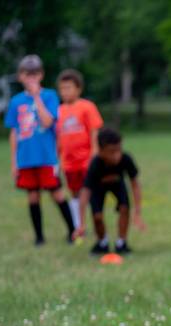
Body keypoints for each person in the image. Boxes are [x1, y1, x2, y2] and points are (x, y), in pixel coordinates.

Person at [4, 54, 75, 245]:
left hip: (46, 157)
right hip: (26, 158)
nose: (31, 78)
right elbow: (14, 133)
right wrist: (14, 162)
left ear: (41, 75)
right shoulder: (16, 101)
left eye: (35, 74)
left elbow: (47, 121)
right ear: (20, 76)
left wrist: (36, 97)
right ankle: (39, 237)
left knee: (57, 194)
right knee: (33, 197)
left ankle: (72, 231)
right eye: (27, 74)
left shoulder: (49, 96)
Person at [72, 128, 146, 254]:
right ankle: (102, 243)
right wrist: (81, 224)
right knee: (97, 217)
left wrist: (137, 211)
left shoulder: (125, 159)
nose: (117, 155)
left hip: (118, 185)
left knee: (124, 208)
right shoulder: (95, 164)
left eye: (119, 150)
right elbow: (85, 193)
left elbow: (135, 185)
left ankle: (121, 243)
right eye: (112, 152)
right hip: (98, 188)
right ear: (100, 151)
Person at [56, 68, 104, 227]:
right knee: (75, 192)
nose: (65, 92)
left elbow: (94, 132)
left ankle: (94, 222)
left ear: (78, 88)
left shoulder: (87, 107)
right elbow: (57, 137)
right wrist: (57, 160)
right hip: (69, 162)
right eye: (62, 88)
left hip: (86, 160)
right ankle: (78, 224)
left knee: (89, 191)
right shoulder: (58, 111)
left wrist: (94, 155)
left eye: (68, 88)